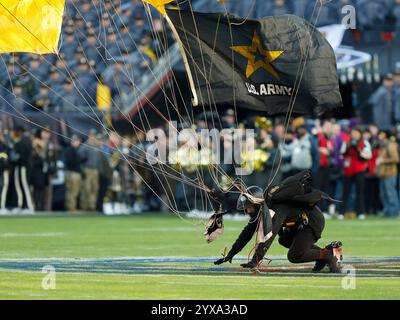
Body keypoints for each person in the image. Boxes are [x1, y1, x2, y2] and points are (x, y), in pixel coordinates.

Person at [209, 170, 342, 273]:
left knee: (295, 255)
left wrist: (256, 260)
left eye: (249, 207)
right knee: (284, 240)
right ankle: (325, 254)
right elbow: (248, 232)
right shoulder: (263, 208)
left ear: (256, 203)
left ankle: (329, 256)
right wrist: (231, 254)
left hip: (312, 222)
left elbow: (270, 234)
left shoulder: (275, 209)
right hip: (298, 225)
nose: (248, 211)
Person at [339, 127, 372, 220]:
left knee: (360, 192)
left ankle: (360, 212)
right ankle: (342, 212)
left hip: (359, 170)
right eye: (353, 133)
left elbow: (368, 156)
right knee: (346, 192)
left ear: (360, 134)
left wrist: (357, 150)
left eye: (356, 133)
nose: (354, 135)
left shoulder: (365, 143)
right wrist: (348, 148)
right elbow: (342, 154)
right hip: (348, 170)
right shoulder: (346, 142)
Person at [375, 131, 400, 217]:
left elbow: (396, 159)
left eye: (381, 134)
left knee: (390, 194)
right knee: (383, 194)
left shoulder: (391, 145)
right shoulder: (383, 145)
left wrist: (383, 161)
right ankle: (387, 212)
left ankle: (394, 212)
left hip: (390, 173)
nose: (379, 136)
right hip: (383, 173)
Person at [64, 135, 85, 212]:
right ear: (72, 141)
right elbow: (69, 162)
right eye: (76, 141)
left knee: (74, 191)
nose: (78, 142)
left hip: (75, 173)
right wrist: (80, 160)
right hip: (72, 173)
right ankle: (70, 207)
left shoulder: (76, 150)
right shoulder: (70, 150)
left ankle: (72, 206)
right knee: (72, 190)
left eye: (78, 141)